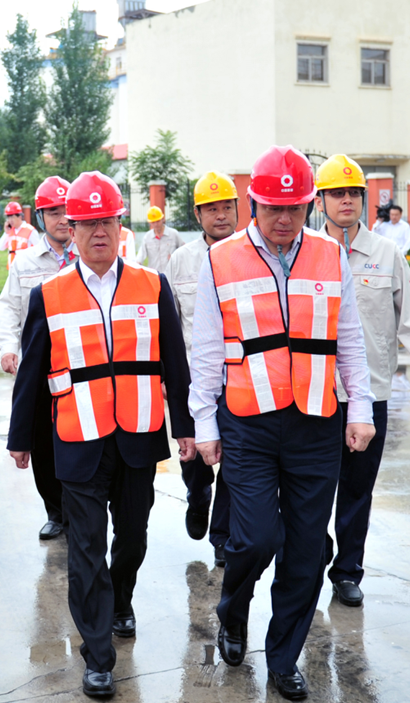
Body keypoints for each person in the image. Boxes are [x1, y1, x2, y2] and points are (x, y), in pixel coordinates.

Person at [188, 145, 375, 701]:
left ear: (309, 205)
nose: (285, 220)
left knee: (305, 551)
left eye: (295, 208)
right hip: (247, 421)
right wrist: (205, 422)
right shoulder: (220, 260)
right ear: (253, 204)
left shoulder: (328, 255)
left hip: (317, 421)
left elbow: (349, 339)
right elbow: (204, 350)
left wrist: (359, 407)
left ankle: (284, 656)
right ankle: (234, 610)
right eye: (274, 209)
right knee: (253, 539)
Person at [7, 172, 195, 699]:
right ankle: (97, 653)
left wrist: (184, 428)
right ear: (72, 226)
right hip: (77, 435)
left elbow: (173, 364)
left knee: (131, 539)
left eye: (105, 222)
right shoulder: (49, 293)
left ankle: (122, 601)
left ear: (120, 226)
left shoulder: (151, 286)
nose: (96, 233)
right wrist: (22, 437)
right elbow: (32, 372)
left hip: (138, 435)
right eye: (85, 223)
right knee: (85, 547)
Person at [316, 154, 410, 606]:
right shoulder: (307, 253)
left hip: (369, 396)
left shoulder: (386, 254)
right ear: (320, 200)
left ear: (364, 201)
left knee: (356, 489)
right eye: (337, 193)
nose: (346, 200)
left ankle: (347, 570)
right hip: (315, 395)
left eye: (353, 193)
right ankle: (317, 557)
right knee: (312, 488)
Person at [0, 176, 74, 540]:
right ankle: (56, 512)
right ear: (40, 218)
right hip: (40, 368)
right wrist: (9, 347)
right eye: (54, 212)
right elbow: (8, 307)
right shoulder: (25, 263)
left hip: (83, 366)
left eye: (68, 211)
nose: (63, 219)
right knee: (43, 442)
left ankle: (82, 509)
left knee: (80, 439)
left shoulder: (91, 255)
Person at [163, 171, 238, 565]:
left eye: (227, 206)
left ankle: (222, 536)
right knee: (193, 457)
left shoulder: (252, 257)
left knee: (237, 460)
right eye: (212, 208)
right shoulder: (181, 261)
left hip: (240, 380)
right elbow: (170, 325)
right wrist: (166, 378)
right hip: (192, 382)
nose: (221, 215)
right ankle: (197, 496)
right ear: (197, 214)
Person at [136, 205, 183, 269]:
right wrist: (136, 265)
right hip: (154, 275)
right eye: (153, 222)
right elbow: (140, 256)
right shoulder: (147, 237)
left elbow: (184, 250)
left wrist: (176, 258)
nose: (155, 224)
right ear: (149, 222)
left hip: (171, 273)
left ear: (163, 219)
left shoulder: (173, 234)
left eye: (158, 221)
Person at [0, 200, 37, 269]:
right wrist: (6, 233)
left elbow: (38, 250)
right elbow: (1, 247)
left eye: (12, 217)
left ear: (20, 216)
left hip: (26, 269)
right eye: (8, 217)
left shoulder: (30, 230)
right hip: (12, 270)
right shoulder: (9, 231)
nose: (10, 220)